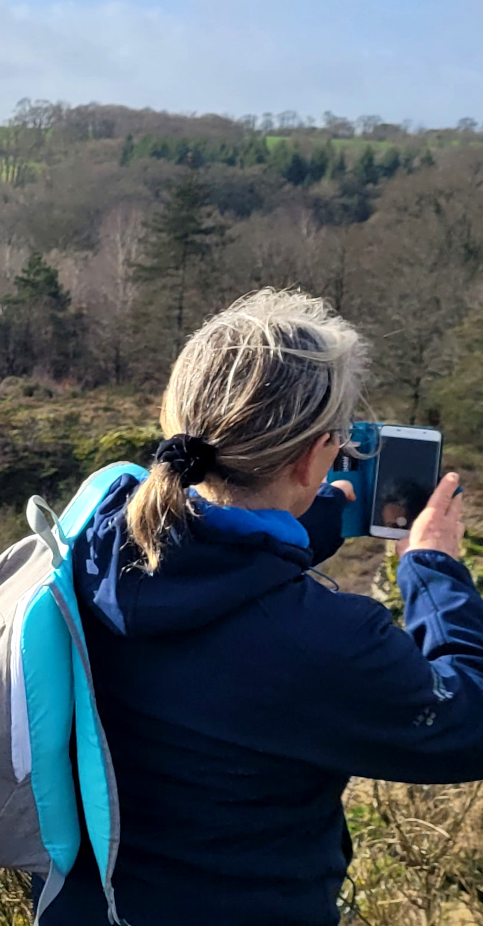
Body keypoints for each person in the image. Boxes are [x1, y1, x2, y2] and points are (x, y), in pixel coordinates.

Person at [43, 289, 483, 926]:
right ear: (311, 457)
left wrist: (310, 515)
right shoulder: (324, 642)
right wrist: (432, 567)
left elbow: (211, 557)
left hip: (87, 906)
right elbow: (466, 726)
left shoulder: (99, 539)